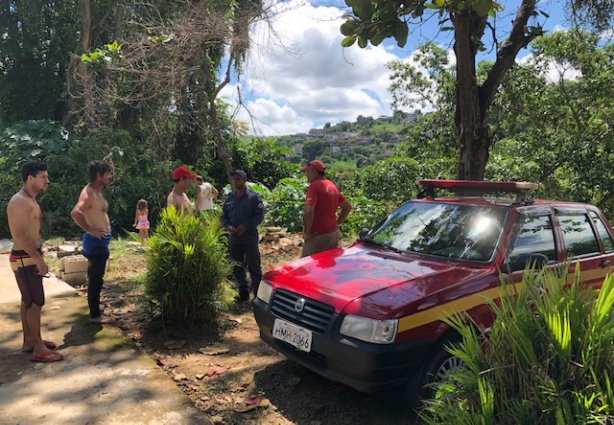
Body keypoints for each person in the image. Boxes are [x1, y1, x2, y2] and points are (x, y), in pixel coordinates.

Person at [7, 161, 63, 362]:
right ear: (30, 178)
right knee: (36, 302)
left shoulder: (27, 199)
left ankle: (29, 341)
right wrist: (38, 260)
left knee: (28, 300)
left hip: (24, 257)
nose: (47, 181)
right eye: (43, 177)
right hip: (25, 258)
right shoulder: (20, 201)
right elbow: (20, 235)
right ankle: (38, 347)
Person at [71, 160, 114, 324]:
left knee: (96, 277)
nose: (109, 177)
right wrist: (91, 230)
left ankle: (95, 309)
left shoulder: (96, 192)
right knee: (96, 278)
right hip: (95, 243)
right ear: (99, 175)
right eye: (107, 174)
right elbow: (76, 213)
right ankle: (95, 315)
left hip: (100, 242)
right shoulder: (89, 193)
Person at [221, 170, 264, 302]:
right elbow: (223, 217)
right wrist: (227, 225)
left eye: (238, 179)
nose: (235, 181)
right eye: (234, 179)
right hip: (235, 238)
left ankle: (258, 295)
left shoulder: (253, 197)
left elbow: (259, 216)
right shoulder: (230, 198)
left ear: (244, 180)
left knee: (254, 266)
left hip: (249, 238)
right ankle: (243, 292)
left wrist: (246, 226)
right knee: (237, 266)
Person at [301, 160, 351, 257]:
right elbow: (347, 207)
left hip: (318, 235)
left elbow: (309, 210)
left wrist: (307, 233)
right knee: (327, 265)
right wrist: (336, 223)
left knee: (307, 267)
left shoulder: (314, 186)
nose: (306, 175)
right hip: (333, 234)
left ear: (313, 171)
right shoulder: (332, 186)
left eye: (307, 172)